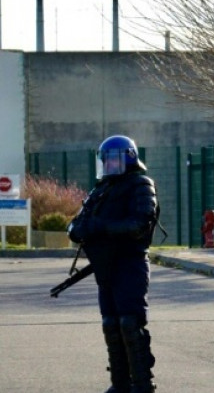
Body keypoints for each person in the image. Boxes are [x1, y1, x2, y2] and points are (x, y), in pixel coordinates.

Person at [68, 135, 159, 393]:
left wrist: (101, 227)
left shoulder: (141, 184)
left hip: (130, 262)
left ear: (129, 158)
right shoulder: (101, 189)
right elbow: (78, 221)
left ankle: (142, 385)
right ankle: (119, 384)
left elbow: (140, 224)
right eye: (106, 160)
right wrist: (77, 229)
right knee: (110, 323)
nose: (109, 164)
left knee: (130, 322)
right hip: (105, 264)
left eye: (114, 159)